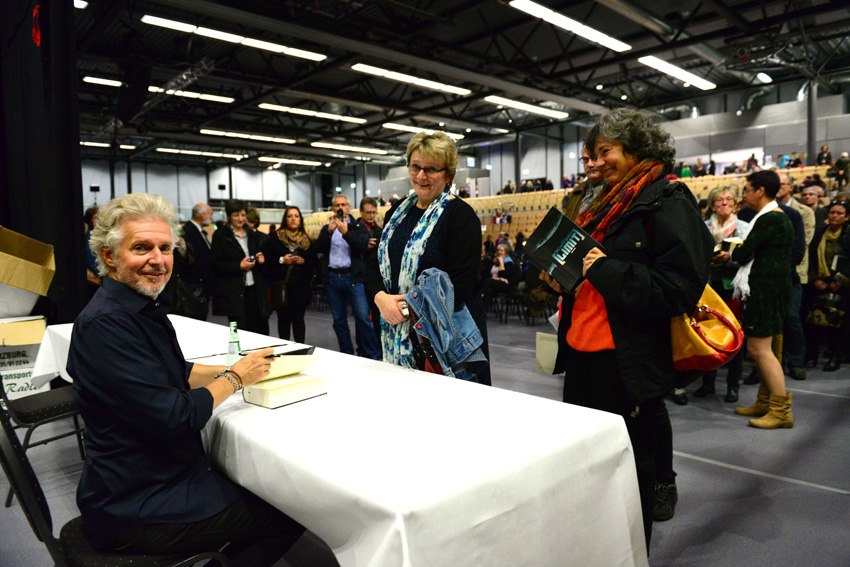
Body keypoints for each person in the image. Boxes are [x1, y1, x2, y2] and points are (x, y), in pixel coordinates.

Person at [67, 193, 304, 563]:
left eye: (165, 248)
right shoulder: (107, 325)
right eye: (141, 248)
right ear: (109, 256)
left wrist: (243, 369)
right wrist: (235, 379)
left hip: (157, 477)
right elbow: (177, 415)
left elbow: (177, 371)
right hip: (139, 503)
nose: (158, 260)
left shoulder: (138, 307)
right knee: (293, 509)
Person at [543, 108, 713, 548]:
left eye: (606, 152)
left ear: (636, 150)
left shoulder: (667, 200)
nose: (597, 163)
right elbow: (585, 274)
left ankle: (631, 555)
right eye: (592, 155)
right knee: (586, 470)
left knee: (628, 478)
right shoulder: (601, 203)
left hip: (626, 362)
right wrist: (558, 279)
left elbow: (678, 289)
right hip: (581, 355)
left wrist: (605, 270)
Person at [367, 131, 488, 383]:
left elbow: (460, 286)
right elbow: (374, 263)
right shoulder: (395, 214)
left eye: (431, 169)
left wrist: (404, 307)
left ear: (448, 175)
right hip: (397, 332)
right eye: (416, 167)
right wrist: (380, 297)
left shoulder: (461, 217)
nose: (421, 176)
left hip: (445, 341)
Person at [732, 170, 795, 429]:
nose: (744, 195)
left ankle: (780, 411)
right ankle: (765, 401)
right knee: (763, 350)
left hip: (766, 289)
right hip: (772, 287)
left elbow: (743, 252)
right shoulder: (777, 217)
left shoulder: (770, 218)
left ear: (760, 191)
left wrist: (735, 251)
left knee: (760, 350)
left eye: (747, 189)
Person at [694, 187, 749, 402]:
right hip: (709, 285)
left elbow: (748, 258)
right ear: (712, 205)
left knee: (735, 334)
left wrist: (730, 258)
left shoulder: (744, 227)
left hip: (732, 287)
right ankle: (708, 383)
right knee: (707, 334)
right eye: (719, 200)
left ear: (735, 204)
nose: (724, 203)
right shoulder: (703, 226)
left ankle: (733, 385)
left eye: (728, 199)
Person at [315, 195, 381, 360]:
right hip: (333, 278)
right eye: (337, 205)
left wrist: (346, 233)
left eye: (343, 204)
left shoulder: (358, 226)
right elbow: (318, 248)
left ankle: (374, 354)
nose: (340, 208)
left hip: (352, 278)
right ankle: (347, 354)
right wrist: (329, 232)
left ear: (349, 208)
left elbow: (362, 246)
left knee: (363, 318)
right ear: (333, 208)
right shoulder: (327, 228)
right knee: (339, 321)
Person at [777, 173, 815, 381]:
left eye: (781, 184)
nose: (777, 187)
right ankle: (773, 362)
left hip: (794, 271)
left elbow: (804, 241)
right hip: (772, 274)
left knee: (792, 318)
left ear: (790, 187)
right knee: (773, 319)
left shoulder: (804, 212)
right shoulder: (764, 210)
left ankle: (795, 363)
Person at [211, 199, 270, 335]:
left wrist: (260, 260)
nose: (240, 219)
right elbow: (215, 264)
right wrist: (239, 266)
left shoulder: (252, 234)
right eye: (236, 215)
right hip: (234, 292)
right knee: (240, 330)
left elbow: (261, 261)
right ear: (229, 217)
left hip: (254, 289)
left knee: (259, 329)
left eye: (243, 215)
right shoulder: (221, 235)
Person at [804, 201, 850, 371]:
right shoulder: (820, 232)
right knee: (814, 321)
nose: (835, 216)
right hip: (820, 283)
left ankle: (835, 356)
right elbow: (811, 257)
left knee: (840, 325)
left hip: (843, 285)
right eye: (832, 212)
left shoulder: (847, 235)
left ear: (847, 217)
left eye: (839, 213)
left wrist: (839, 281)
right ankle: (811, 355)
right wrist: (815, 278)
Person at [262, 206, 316, 343]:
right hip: (282, 287)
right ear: (285, 219)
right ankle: (284, 348)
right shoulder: (276, 238)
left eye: (296, 216)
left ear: (300, 219)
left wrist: (303, 261)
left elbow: (314, 263)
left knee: (299, 320)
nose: (293, 219)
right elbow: (267, 259)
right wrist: (281, 260)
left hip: (300, 288)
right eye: (290, 216)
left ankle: (300, 349)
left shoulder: (306, 240)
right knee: (283, 320)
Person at [358, 197, 384, 348]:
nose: (371, 215)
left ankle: (378, 347)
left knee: (378, 316)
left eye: (374, 212)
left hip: (374, 278)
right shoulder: (354, 229)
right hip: (359, 278)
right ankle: (362, 348)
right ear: (361, 212)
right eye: (368, 212)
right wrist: (364, 245)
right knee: (362, 317)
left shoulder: (379, 231)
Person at [182, 202, 215, 303]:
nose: (212, 218)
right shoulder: (188, 232)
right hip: (195, 286)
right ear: (203, 215)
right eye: (211, 214)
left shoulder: (199, 232)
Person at [562, 144, 606, 220]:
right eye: (585, 160)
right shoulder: (576, 192)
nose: (590, 164)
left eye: (594, 158)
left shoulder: (616, 190)